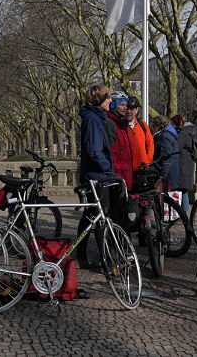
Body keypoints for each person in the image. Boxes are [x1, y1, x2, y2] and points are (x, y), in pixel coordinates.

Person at [76, 84, 113, 269]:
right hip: (95, 176)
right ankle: (104, 259)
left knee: (91, 216)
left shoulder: (95, 117)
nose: (111, 101)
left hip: (96, 174)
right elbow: (93, 150)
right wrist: (107, 167)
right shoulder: (92, 119)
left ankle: (82, 256)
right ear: (99, 100)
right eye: (108, 98)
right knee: (98, 217)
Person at [107, 91, 134, 192]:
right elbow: (112, 152)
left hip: (125, 175)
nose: (125, 108)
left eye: (126, 105)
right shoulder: (111, 124)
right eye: (121, 104)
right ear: (113, 106)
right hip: (117, 176)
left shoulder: (122, 124)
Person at [173, 114, 197, 212]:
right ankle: (184, 212)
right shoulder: (191, 132)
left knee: (182, 190)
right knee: (184, 191)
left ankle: (183, 213)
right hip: (188, 165)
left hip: (183, 166)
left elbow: (176, 147)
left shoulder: (183, 134)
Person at [124, 95, 154, 174]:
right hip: (127, 169)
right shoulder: (120, 126)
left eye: (132, 109)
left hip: (143, 169)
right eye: (127, 108)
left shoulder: (142, 124)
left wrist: (148, 160)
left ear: (136, 110)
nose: (129, 112)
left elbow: (150, 143)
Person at [153, 115, 179, 191]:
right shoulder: (167, 135)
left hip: (167, 176)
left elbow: (167, 157)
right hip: (169, 174)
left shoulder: (164, 136)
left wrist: (162, 175)